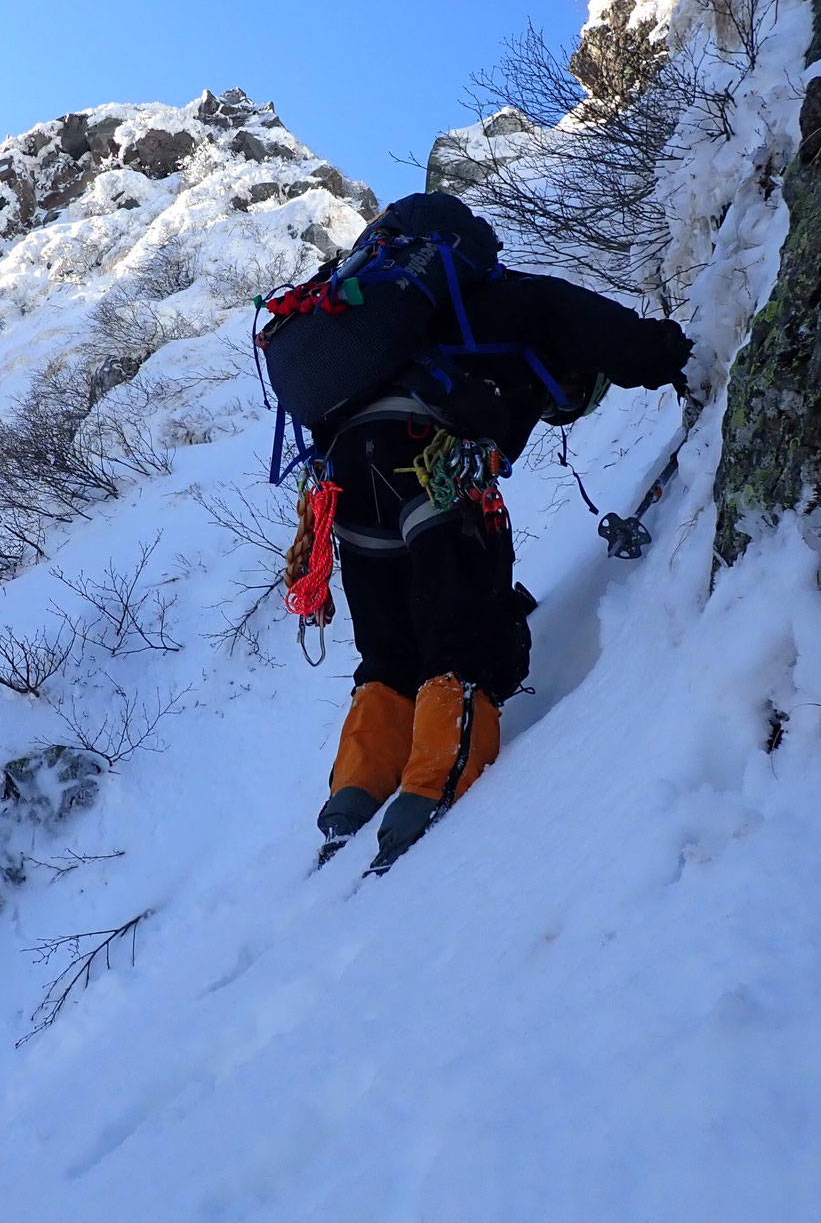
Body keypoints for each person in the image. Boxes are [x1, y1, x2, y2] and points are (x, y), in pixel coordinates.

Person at [295, 194, 693, 873]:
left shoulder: (361, 324)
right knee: (462, 636)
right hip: (433, 468)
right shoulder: (496, 298)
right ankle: (431, 791)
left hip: (347, 494)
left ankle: (352, 801)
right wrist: (674, 354)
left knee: (390, 652)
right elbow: (613, 338)